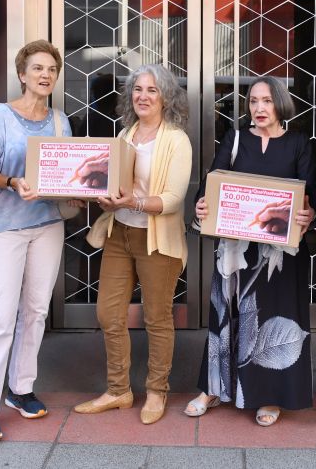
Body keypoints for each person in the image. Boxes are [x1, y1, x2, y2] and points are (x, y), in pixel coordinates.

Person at [185, 76, 316, 426]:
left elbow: (311, 195)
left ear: (280, 104)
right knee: (225, 316)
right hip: (235, 248)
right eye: (253, 101)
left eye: (267, 101)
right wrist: (202, 205)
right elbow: (212, 184)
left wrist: (310, 213)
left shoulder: (298, 143)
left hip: (279, 256)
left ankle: (269, 396)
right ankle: (212, 389)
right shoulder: (235, 139)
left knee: (273, 313)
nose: (259, 109)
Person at [73, 64, 192, 426]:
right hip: (119, 234)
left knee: (157, 318)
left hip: (156, 239)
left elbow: (172, 199)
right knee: (108, 314)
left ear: (166, 97)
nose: (143, 96)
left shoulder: (176, 140)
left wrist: (132, 203)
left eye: (152, 90)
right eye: (137, 89)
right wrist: (98, 196)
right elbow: (111, 184)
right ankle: (119, 390)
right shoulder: (125, 135)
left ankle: (157, 390)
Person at [0, 40, 72, 442]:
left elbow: (68, 173)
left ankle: (20, 388)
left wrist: (81, 187)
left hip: (47, 224)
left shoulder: (61, 120)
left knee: (35, 311)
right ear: (22, 74)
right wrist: (12, 182)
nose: (46, 75)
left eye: (52, 70)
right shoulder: (0, 115)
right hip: (4, 227)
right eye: (38, 68)